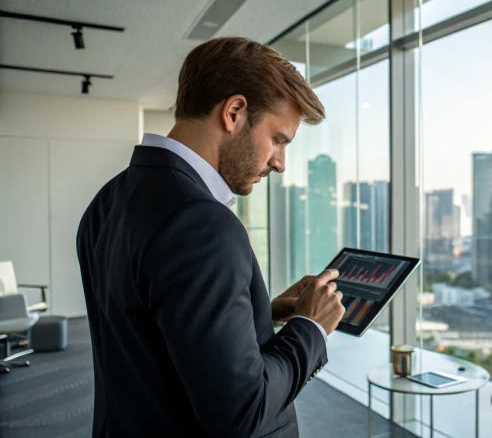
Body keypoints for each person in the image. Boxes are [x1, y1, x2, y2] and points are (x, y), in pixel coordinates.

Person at [76, 37, 345, 438]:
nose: (280, 163)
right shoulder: (202, 221)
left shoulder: (109, 199)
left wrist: (260, 313)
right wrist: (310, 328)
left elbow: (148, 332)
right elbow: (241, 412)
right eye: (278, 139)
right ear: (234, 112)